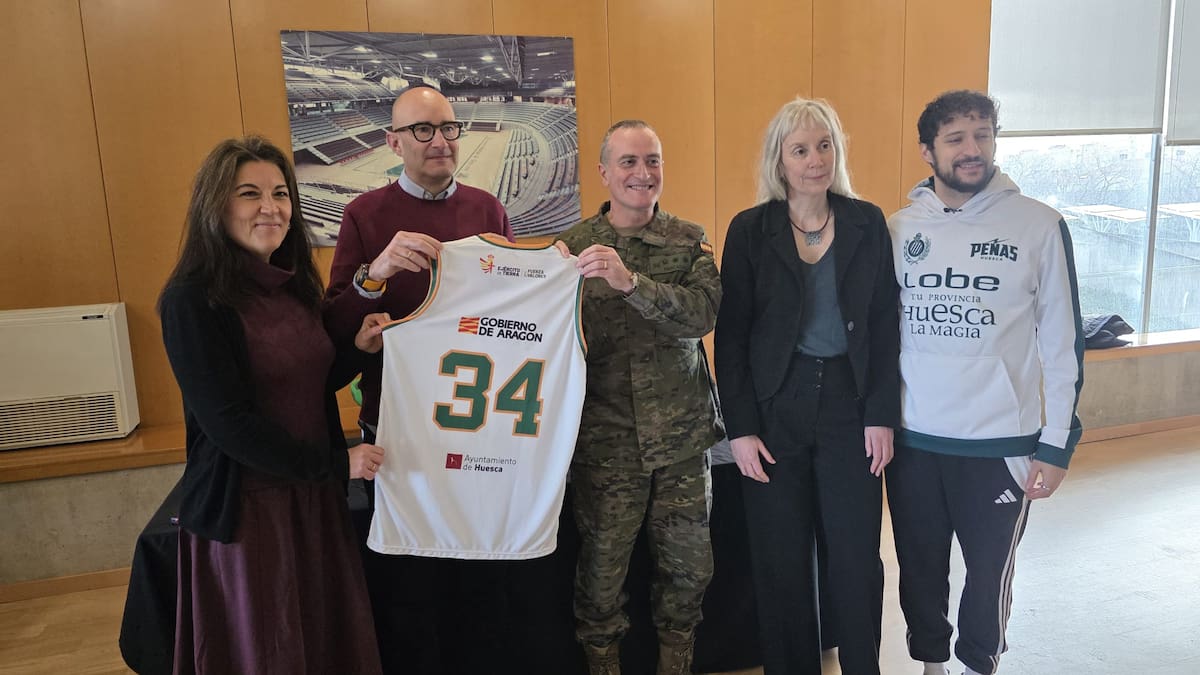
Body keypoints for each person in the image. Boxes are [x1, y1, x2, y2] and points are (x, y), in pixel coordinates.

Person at [158, 135, 387, 674]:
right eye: (249, 193)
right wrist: (336, 464)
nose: (271, 207)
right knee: (270, 648)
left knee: (323, 639)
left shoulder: (292, 286)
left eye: (281, 193)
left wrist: (356, 350)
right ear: (215, 205)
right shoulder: (192, 299)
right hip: (251, 511)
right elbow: (227, 423)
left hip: (311, 498)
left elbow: (307, 381)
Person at [886, 90, 1084, 675]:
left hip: (1001, 445)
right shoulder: (897, 229)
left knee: (988, 572)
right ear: (928, 151)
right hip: (914, 442)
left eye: (982, 134)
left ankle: (978, 665)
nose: (972, 149)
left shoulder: (1040, 225)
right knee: (918, 567)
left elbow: (1062, 345)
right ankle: (930, 664)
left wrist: (1055, 444)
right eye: (955, 138)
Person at [322, 84, 515, 674]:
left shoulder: (487, 209)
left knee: (481, 580)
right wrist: (373, 275)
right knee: (410, 583)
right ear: (393, 142)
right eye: (423, 131)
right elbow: (332, 336)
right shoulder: (364, 215)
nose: (440, 142)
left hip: (477, 425)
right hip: (399, 433)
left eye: (449, 128)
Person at [713, 97, 900, 675]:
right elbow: (732, 337)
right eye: (800, 149)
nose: (814, 159)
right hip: (776, 409)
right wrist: (740, 429)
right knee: (780, 557)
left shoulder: (868, 222)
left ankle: (862, 665)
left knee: (855, 556)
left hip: (851, 406)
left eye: (824, 146)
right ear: (780, 159)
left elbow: (886, 327)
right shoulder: (749, 230)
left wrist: (881, 415)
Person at [554, 120, 723, 675]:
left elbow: (702, 315)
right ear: (604, 173)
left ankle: (675, 663)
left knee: (689, 572)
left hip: (680, 441)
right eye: (628, 162)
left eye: (652, 160)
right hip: (605, 447)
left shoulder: (688, 240)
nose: (642, 173)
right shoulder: (570, 252)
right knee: (601, 575)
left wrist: (633, 284)